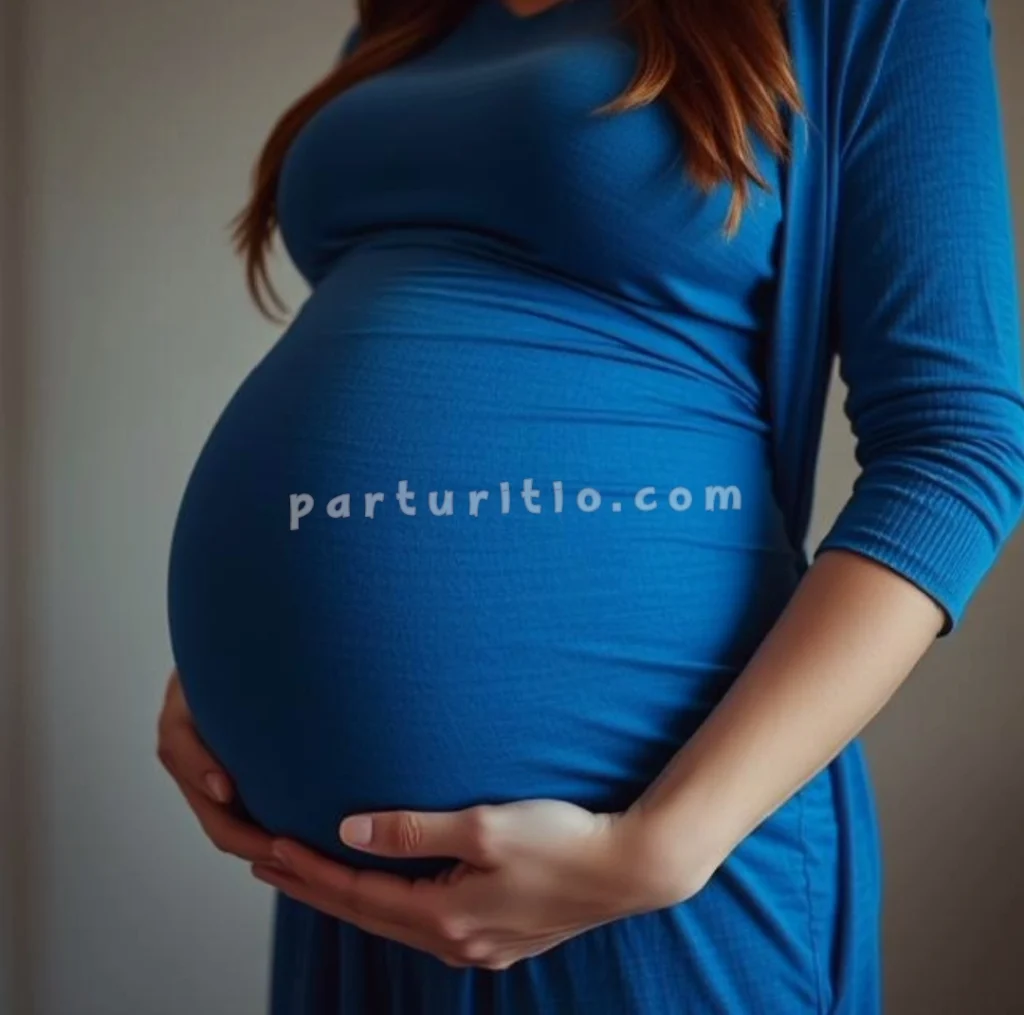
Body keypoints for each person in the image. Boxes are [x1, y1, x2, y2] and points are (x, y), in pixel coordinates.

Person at [157, 0, 1024, 1011]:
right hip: (345, 887)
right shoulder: (406, 22)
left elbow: (955, 445)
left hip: (639, 860)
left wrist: (659, 847)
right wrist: (237, 673)